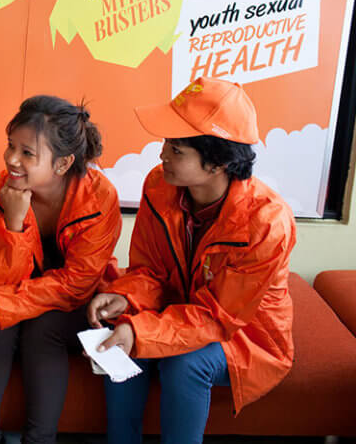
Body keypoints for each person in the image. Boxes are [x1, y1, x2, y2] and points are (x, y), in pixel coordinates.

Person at [88, 77, 297, 444]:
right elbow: (149, 270)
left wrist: (141, 331)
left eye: (177, 149)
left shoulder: (267, 222)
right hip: (183, 311)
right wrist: (127, 298)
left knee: (184, 363)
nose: (162, 155)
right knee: (125, 328)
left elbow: (219, 317)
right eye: (166, 143)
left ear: (217, 163)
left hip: (245, 335)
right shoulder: (159, 185)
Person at [0, 95, 121, 444]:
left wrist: (2, 306)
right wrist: (14, 224)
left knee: (40, 328)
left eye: (27, 153)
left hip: (75, 305)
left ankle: (40, 440)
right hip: (12, 296)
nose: (11, 160)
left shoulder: (100, 198)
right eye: (10, 146)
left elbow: (77, 284)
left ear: (62, 164)